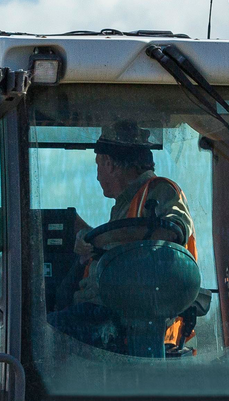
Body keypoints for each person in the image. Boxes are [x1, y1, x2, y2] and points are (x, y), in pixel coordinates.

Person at [51, 126, 200, 354]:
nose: (97, 176)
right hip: (111, 309)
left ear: (109, 164)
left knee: (43, 335)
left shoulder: (161, 190)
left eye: (98, 166)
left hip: (126, 315)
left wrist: (104, 238)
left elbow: (173, 230)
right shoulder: (123, 206)